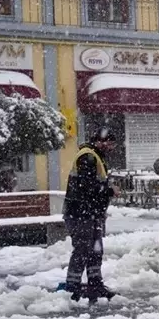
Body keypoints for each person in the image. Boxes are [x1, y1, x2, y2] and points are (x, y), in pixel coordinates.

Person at [62, 126, 118, 302]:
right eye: (110, 144)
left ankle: (95, 284)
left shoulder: (95, 156)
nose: (111, 148)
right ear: (100, 142)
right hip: (80, 213)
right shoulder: (87, 157)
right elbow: (87, 187)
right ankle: (72, 287)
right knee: (82, 249)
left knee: (95, 250)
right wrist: (109, 191)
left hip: (90, 213)